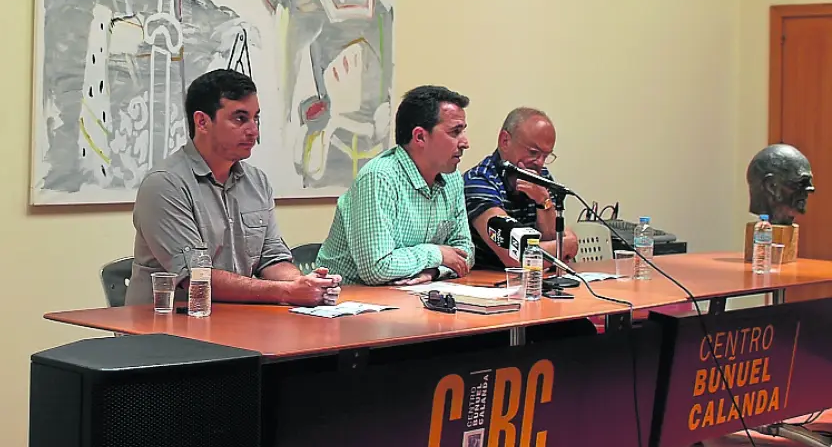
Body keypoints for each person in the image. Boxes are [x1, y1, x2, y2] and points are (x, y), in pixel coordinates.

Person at [126, 69, 342, 306]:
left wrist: (304, 283)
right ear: (202, 122)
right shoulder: (164, 185)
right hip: (166, 324)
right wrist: (287, 292)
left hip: (235, 319)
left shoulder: (257, 182)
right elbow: (197, 278)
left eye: (255, 118)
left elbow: (272, 259)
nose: (253, 131)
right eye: (240, 119)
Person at [315, 85, 474, 286]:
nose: (465, 143)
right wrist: (437, 254)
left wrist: (434, 271)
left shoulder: (452, 179)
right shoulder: (379, 177)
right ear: (420, 137)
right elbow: (377, 268)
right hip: (349, 296)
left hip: (412, 295)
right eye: (455, 132)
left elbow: (465, 253)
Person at [463, 108, 579, 271]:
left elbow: (553, 236)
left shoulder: (541, 177)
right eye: (533, 152)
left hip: (536, 277)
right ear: (505, 141)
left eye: (546, 156)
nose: (540, 163)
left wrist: (543, 201)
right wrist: (564, 247)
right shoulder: (479, 181)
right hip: (490, 280)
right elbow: (515, 256)